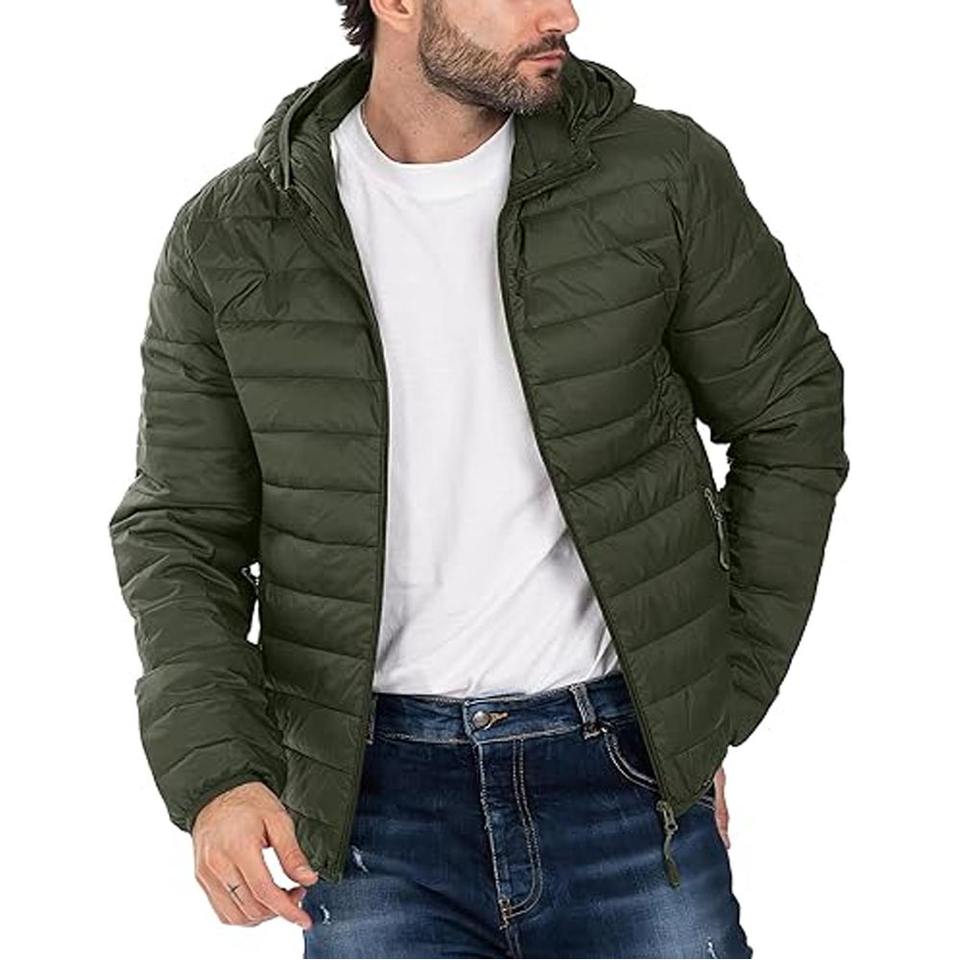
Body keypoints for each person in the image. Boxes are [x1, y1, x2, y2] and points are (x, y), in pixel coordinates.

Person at [107, 1, 849, 956]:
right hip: (368, 812)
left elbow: (790, 416)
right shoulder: (235, 236)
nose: (564, 14)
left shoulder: (657, 173)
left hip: (621, 777)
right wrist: (219, 773)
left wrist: (707, 702)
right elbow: (180, 531)